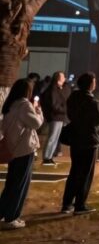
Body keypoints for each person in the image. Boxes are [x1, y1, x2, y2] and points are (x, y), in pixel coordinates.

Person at [0, 79, 44, 229]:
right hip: (24, 149)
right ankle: (12, 217)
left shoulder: (10, 105)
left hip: (13, 148)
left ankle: (3, 212)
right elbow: (37, 124)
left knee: (12, 183)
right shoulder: (25, 105)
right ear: (27, 91)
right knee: (20, 184)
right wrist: (38, 110)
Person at [62, 72, 99, 215]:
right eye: (94, 81)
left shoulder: (73, 98)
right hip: (89, 140)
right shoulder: (92, 102)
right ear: (90, 84)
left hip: (76, 138)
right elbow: (98, 120)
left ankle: (67, 203)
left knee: (74, 171)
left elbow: (71, 115)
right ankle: (80, 204)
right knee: (86, 174)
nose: (95, 83)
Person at [40, 70, 70, 166]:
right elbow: (54, 104)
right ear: (58, 78)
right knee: (52, 137)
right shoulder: (53, 89)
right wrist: (64, 110)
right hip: (55, 116)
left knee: (55, 138)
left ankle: (49, 157)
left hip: (60, 116)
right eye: (62, 76)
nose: (64, 78)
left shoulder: (61, 88)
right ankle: (46, 157)